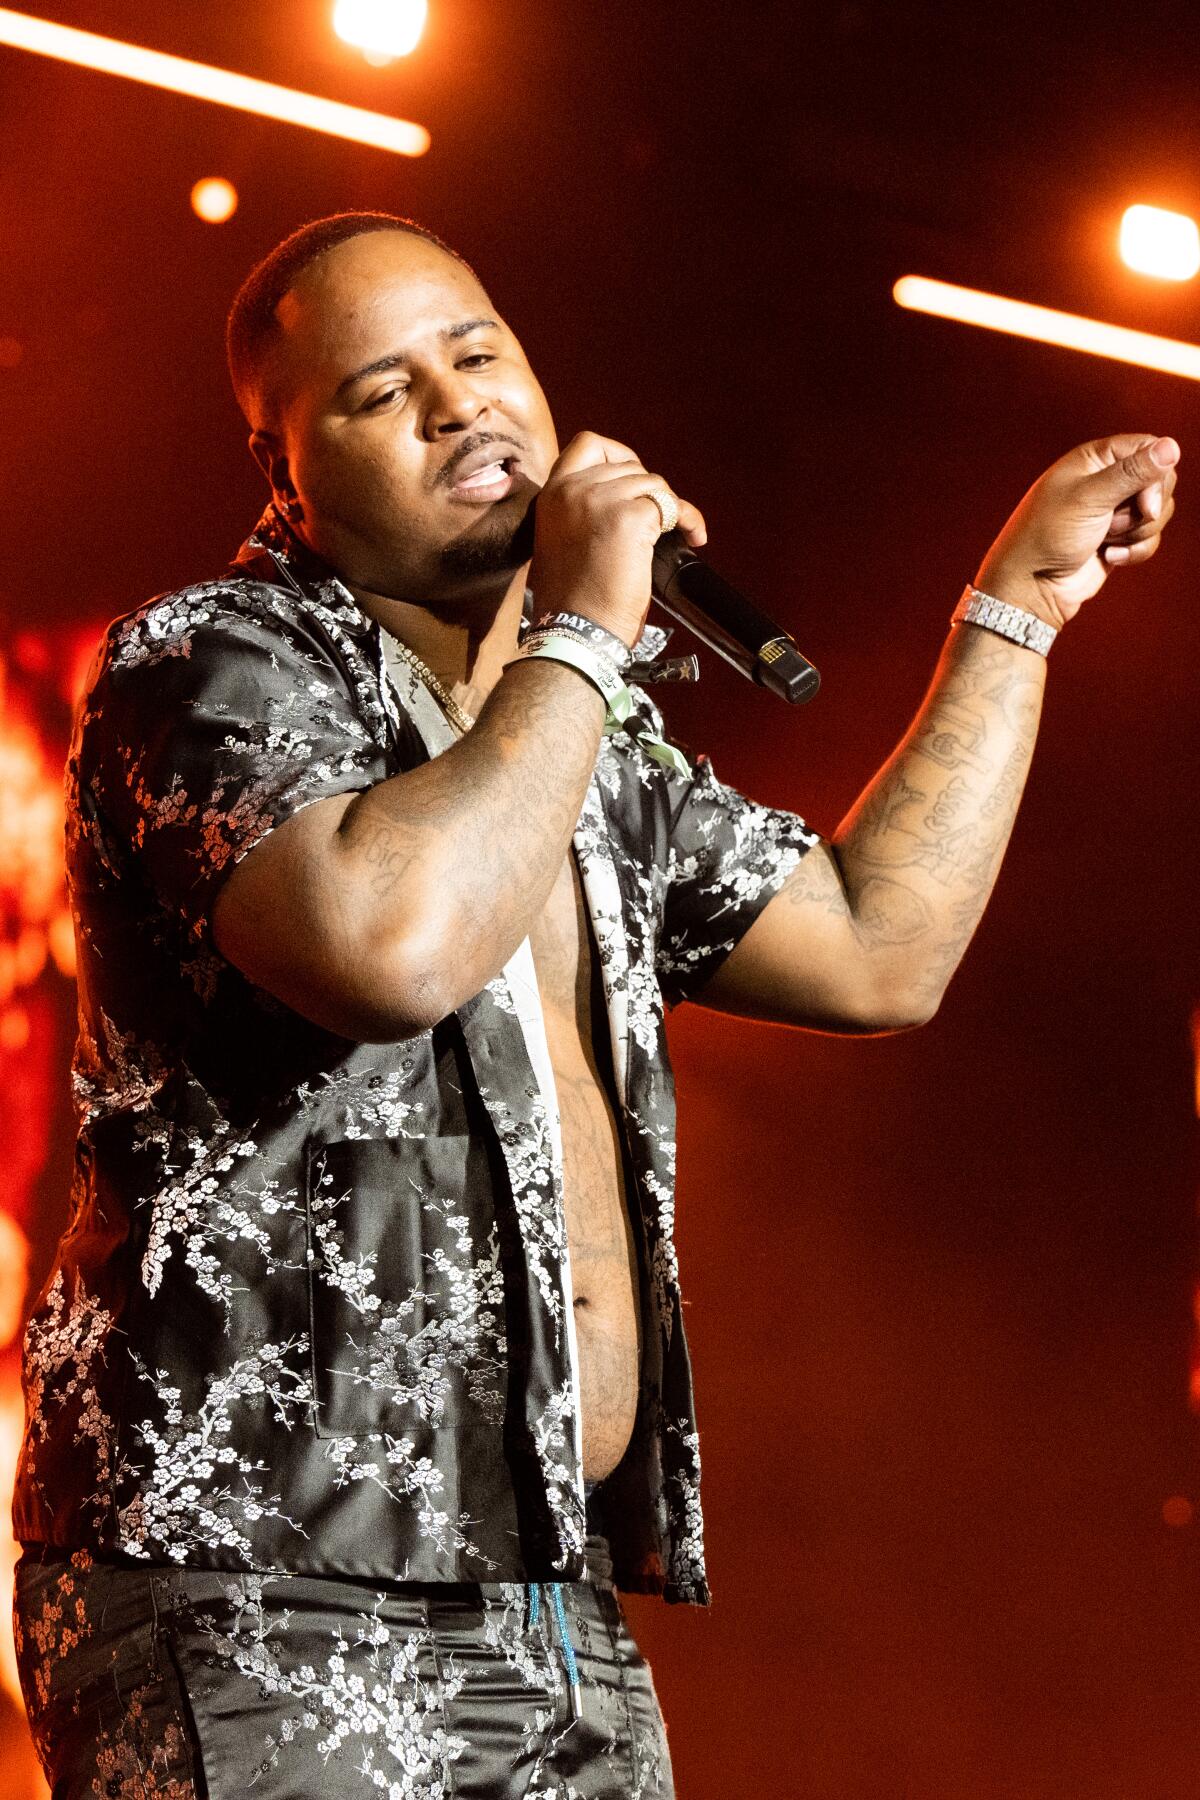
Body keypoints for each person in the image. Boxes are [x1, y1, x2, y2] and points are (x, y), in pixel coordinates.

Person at [11, 211, 1178, 1800]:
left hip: (550, 1596)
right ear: (280, 463)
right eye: (379, 391)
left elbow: (873, 943)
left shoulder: (587, 742)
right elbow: (391, 944)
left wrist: (1018, 606)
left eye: (479, 352)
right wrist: (580, 628)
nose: (458, 404)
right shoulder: (211, 662)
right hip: (269, 1583)